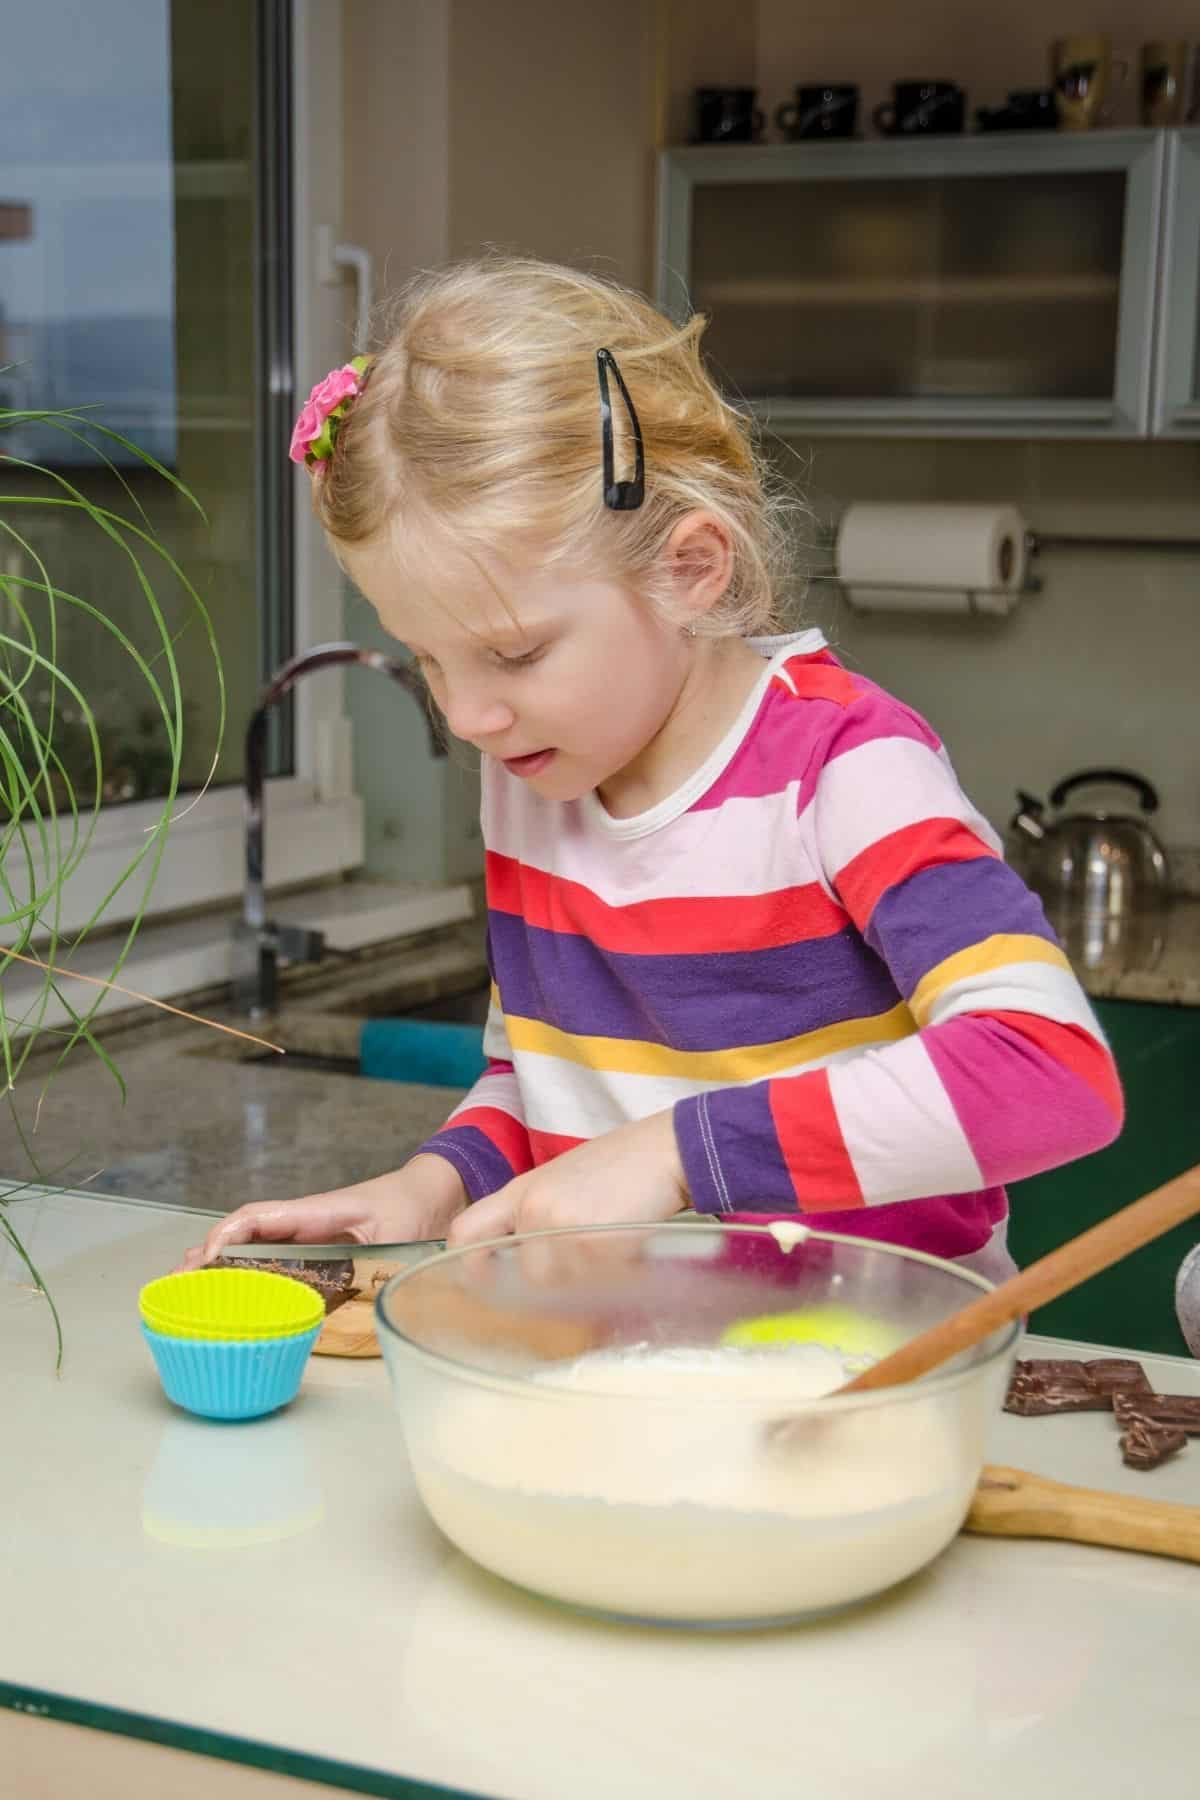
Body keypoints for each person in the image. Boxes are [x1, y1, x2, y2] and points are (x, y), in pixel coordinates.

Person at [185, 256, 1123, 1281]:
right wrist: (434, 1182)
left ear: (689, 568)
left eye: (515, 652)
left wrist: (681, 1157)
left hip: (871, 1375)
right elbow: (545, 1080)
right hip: (630, 1359)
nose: (466, 715)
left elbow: (1049, 1072)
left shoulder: (844, 771)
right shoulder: (536, 772)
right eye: (427, 657)